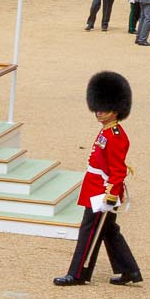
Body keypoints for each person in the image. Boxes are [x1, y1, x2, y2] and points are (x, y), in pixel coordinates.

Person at [55, 71, 140, 287]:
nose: (99, 112)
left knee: (89, 230)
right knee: (108, 231)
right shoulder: (107, 131)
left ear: (115, 110)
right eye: (97, 108)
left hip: (102, 191)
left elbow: (118, 170)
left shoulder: (116, 136)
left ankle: (77, 274)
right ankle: (129, 270)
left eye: (103, 108)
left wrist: (110, 195)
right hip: (95, 187)